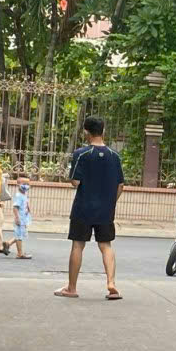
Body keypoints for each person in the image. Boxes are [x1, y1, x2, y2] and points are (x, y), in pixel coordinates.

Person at [57, 116, 124, 300]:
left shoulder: (81, 154)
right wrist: (110, 203)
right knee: (106, 245)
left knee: (78, 245)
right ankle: (111, 283)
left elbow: (75, 182)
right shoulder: (115, 156)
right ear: (103, 131)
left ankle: (72, 288)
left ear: (85, 132)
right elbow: (120, 185)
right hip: (106, 210)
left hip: (83, 207)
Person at [7, 176, 32, 259]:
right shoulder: (19, 196)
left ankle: (8, 244)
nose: (26, 186)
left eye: (28, 184)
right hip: (20, 219)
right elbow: (15, 207)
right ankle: (20, 253)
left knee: (20, 234)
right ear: (18, 184)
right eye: (24, 184)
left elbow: (25, 205)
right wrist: (17, 218)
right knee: (19, 236)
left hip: (23, 219)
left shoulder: (24, 195)